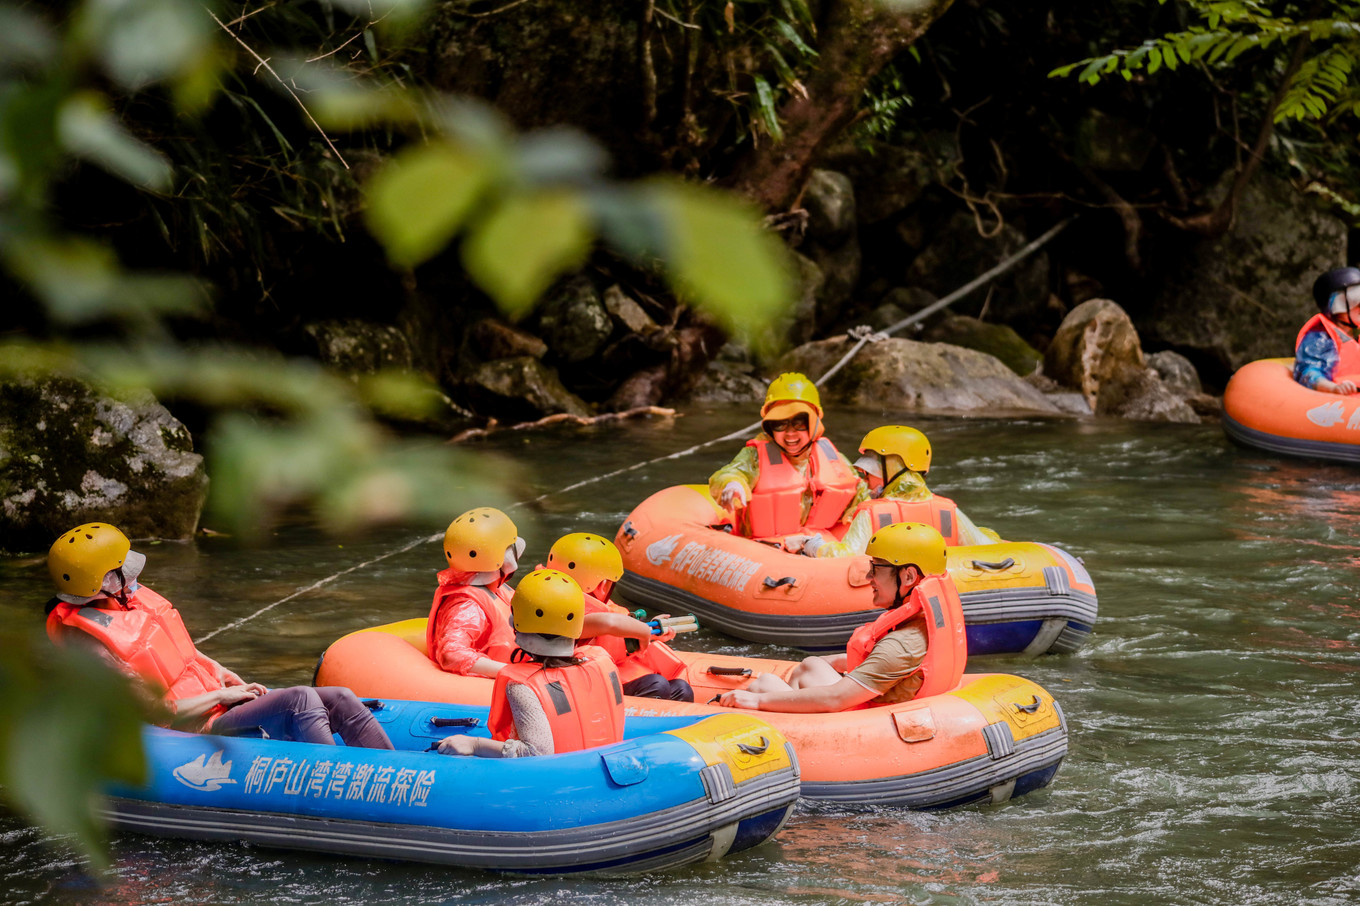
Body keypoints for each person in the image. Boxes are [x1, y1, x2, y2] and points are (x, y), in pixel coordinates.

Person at [44, 522, 392, 749]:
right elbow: (156, 711)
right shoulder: (90, 644)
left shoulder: (126, 601)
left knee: (342, 698)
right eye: (122, 571)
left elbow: (183, 654)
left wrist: (221, 673)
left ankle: (392, 773)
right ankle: (334, 781)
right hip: (192, 730)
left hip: (214, 704)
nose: (132, 575)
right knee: (301, 699)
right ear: (103, 582)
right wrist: (224, 696)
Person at [716, 522, 966, 713]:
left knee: (765, 684)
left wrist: (758, 701)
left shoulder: (901, 645)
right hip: (885, 704)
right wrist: (838, 662)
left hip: (866, 723)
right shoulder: (927, 619)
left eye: (875, 569)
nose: (869, 578)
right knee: (812, 665)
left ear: (909, 577)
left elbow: (835, 698)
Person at [436, 569, 625, 758]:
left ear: (517, 623)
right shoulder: (602, 659)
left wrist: (474, 745)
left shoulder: (521, 686)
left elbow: (536, 752)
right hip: (605, 768)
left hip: (558, 780)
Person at [708, 372, 868, 549]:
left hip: (815, 545)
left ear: (814, 422)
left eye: (799, 423)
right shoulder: (754, 455)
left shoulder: (832, 457)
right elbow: (732, 472)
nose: (790, 433)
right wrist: (732, 484)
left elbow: (860, 494)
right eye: (779, 424)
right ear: (770, 427)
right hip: (763, 547)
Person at [546, 532, 694, 702]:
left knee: (681, 690)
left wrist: (647, 633)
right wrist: (640, 629)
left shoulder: (553, 596)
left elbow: (608, 638)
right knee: (656, 685)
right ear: (603, 585)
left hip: (594, 681)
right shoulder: (558, 611)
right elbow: (605, 624)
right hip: (577, 691)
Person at [427, 506, 524, 678]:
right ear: (504, 560)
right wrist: (511, 672)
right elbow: (452, 654)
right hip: (496, 685)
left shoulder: (497, 589)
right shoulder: (467, 607)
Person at [1295, 267, 1360, 394]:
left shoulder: (1354, 336)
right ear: (1338, 306)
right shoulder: (1321, 338)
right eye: (1358, 305)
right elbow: (1309, 371)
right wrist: (1334, 388)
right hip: (1339, 402)